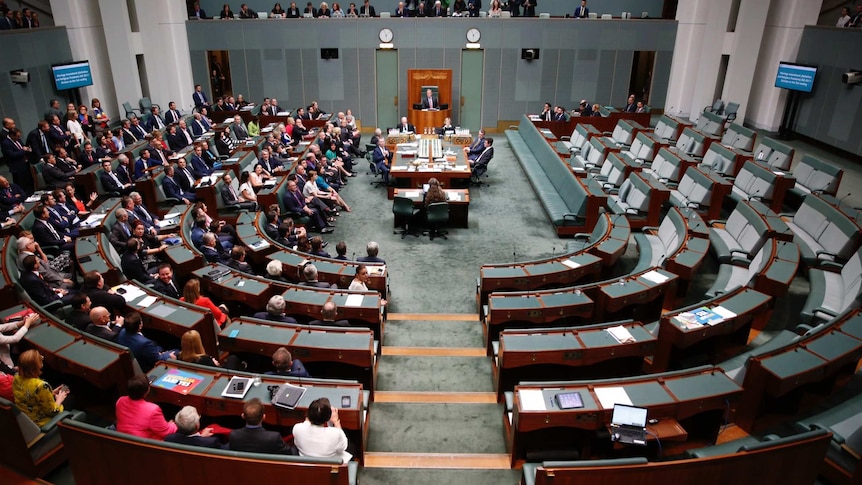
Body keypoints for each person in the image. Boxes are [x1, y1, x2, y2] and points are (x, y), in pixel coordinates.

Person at [13, 350, 71, 426]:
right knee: (70, 399)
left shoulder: (17, 378)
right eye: (39, 358)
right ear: (35, 366)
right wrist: (60, 399)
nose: (42, 357)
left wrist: (51, 392)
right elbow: (53, 412)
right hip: (42, 423)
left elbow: (31, 396)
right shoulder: (41, 386)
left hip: (26, 419)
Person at [116, 374, 178, 440]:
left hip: (122, 438)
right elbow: (166, 432)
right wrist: (173, 424)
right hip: (144, 444)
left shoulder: (120, 400)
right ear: (147, 390)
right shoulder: (152, 410)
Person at [292, 397, 352, 463]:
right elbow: (344, 447)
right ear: (328, 418)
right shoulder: (335, 433)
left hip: (307, 466)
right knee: (352, 447)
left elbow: (296, 443)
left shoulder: (297, 428)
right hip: (329, 467)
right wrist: (336, 421)